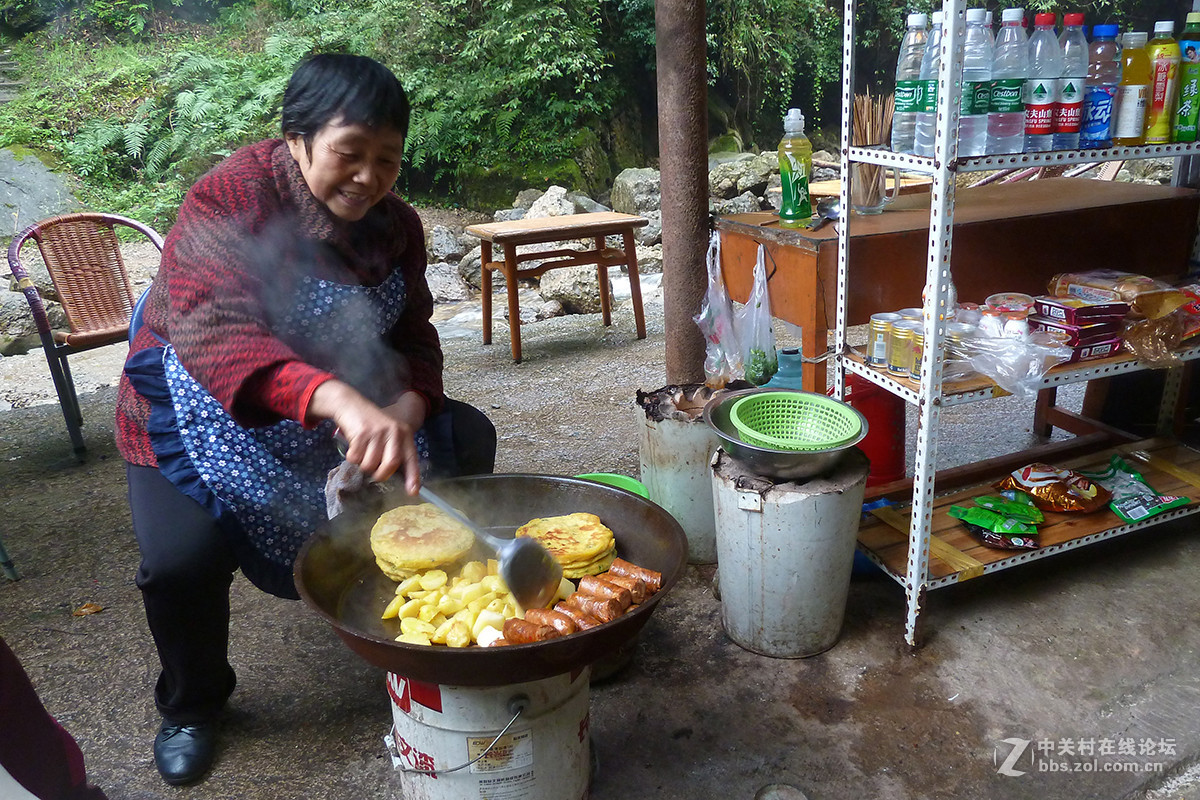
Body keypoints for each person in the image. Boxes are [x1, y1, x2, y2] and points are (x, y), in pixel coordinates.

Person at [116, 53, 496, 786]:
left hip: (338, 413)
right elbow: (216, 330)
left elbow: (416, 340)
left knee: (464, 436)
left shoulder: (397, 227)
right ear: (296, 138)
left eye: (387, 159)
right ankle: (193, 705)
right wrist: (342, 401)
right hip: (201, 408)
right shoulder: (228, 198)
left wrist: (402, 407)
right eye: (348, 154)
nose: (368, 176)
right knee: (178, 562)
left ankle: (421, 616)